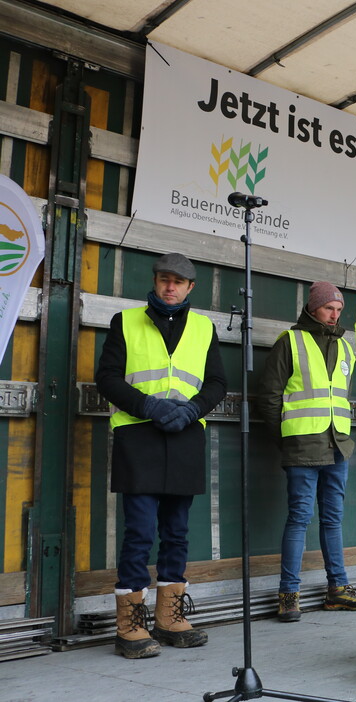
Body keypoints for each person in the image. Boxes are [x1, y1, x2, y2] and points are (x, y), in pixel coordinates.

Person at [95, 253, 226, 659]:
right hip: (139, 435)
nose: (171, 286)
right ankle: (129, 627)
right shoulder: (125, 321)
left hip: (185, 435)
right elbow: (107, 378)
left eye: (178, 281)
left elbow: (217, 382)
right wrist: (149, 406)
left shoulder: (204, 328)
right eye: (165, 279)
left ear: (190, 287)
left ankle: (169, 619)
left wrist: (192, 410)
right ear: (155, 281)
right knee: (139, 532)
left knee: (177, 531)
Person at [257, 282, 356, 623]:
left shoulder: (346, 346)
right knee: (300, 519)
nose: (335, 315)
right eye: (329, 308)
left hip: (338, 446)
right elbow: (269, 397)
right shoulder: (290, 341)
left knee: (333, 519)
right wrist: (286, 438)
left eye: (339, 310)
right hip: (302, 445)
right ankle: (288, 595)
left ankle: (338, 589)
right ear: (313, 307)